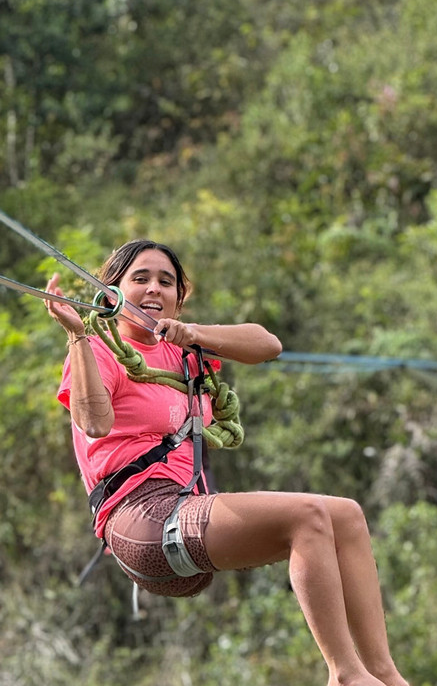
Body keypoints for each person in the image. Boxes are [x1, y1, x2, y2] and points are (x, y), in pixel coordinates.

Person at [45, 239, 409, 686]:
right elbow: (94, 423)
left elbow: (267, 344)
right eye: (139, 279)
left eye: (166, 282)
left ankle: (384, 673)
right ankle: (345, 674)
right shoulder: (100, 351)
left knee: (347, 516)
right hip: (140, 519)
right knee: (308, 516)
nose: (154, 289)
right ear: (111, 293)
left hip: (185, 515)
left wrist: (194, 332)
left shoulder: (182, 351)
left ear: (180, 297)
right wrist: (78, 336)